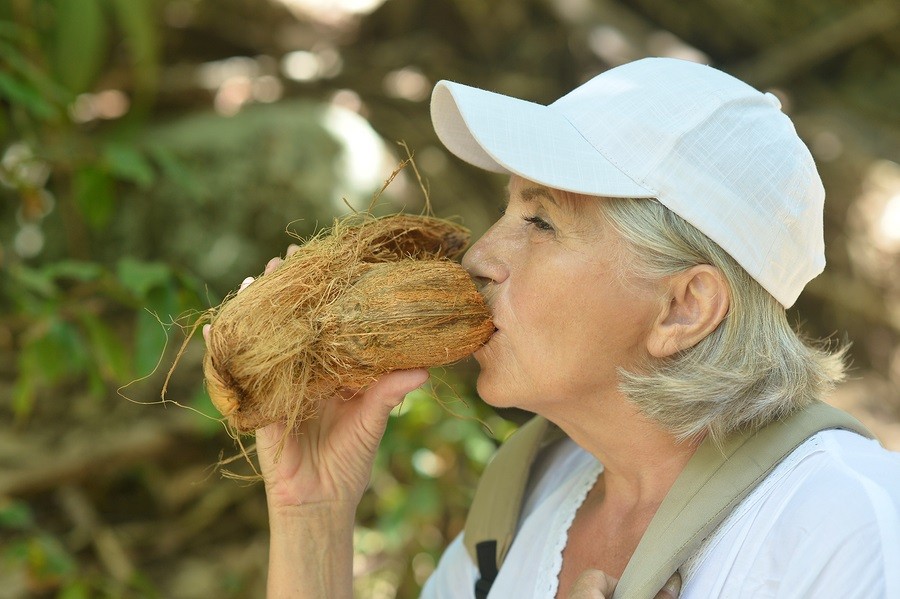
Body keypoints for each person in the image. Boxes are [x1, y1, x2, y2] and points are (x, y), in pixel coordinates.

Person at [209, 57, 900, 598]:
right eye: (509, 209)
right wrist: (314, 514)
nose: (479, 255)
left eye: (540, 222)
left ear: (683, 307)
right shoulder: (529, 495)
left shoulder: (844, 528)